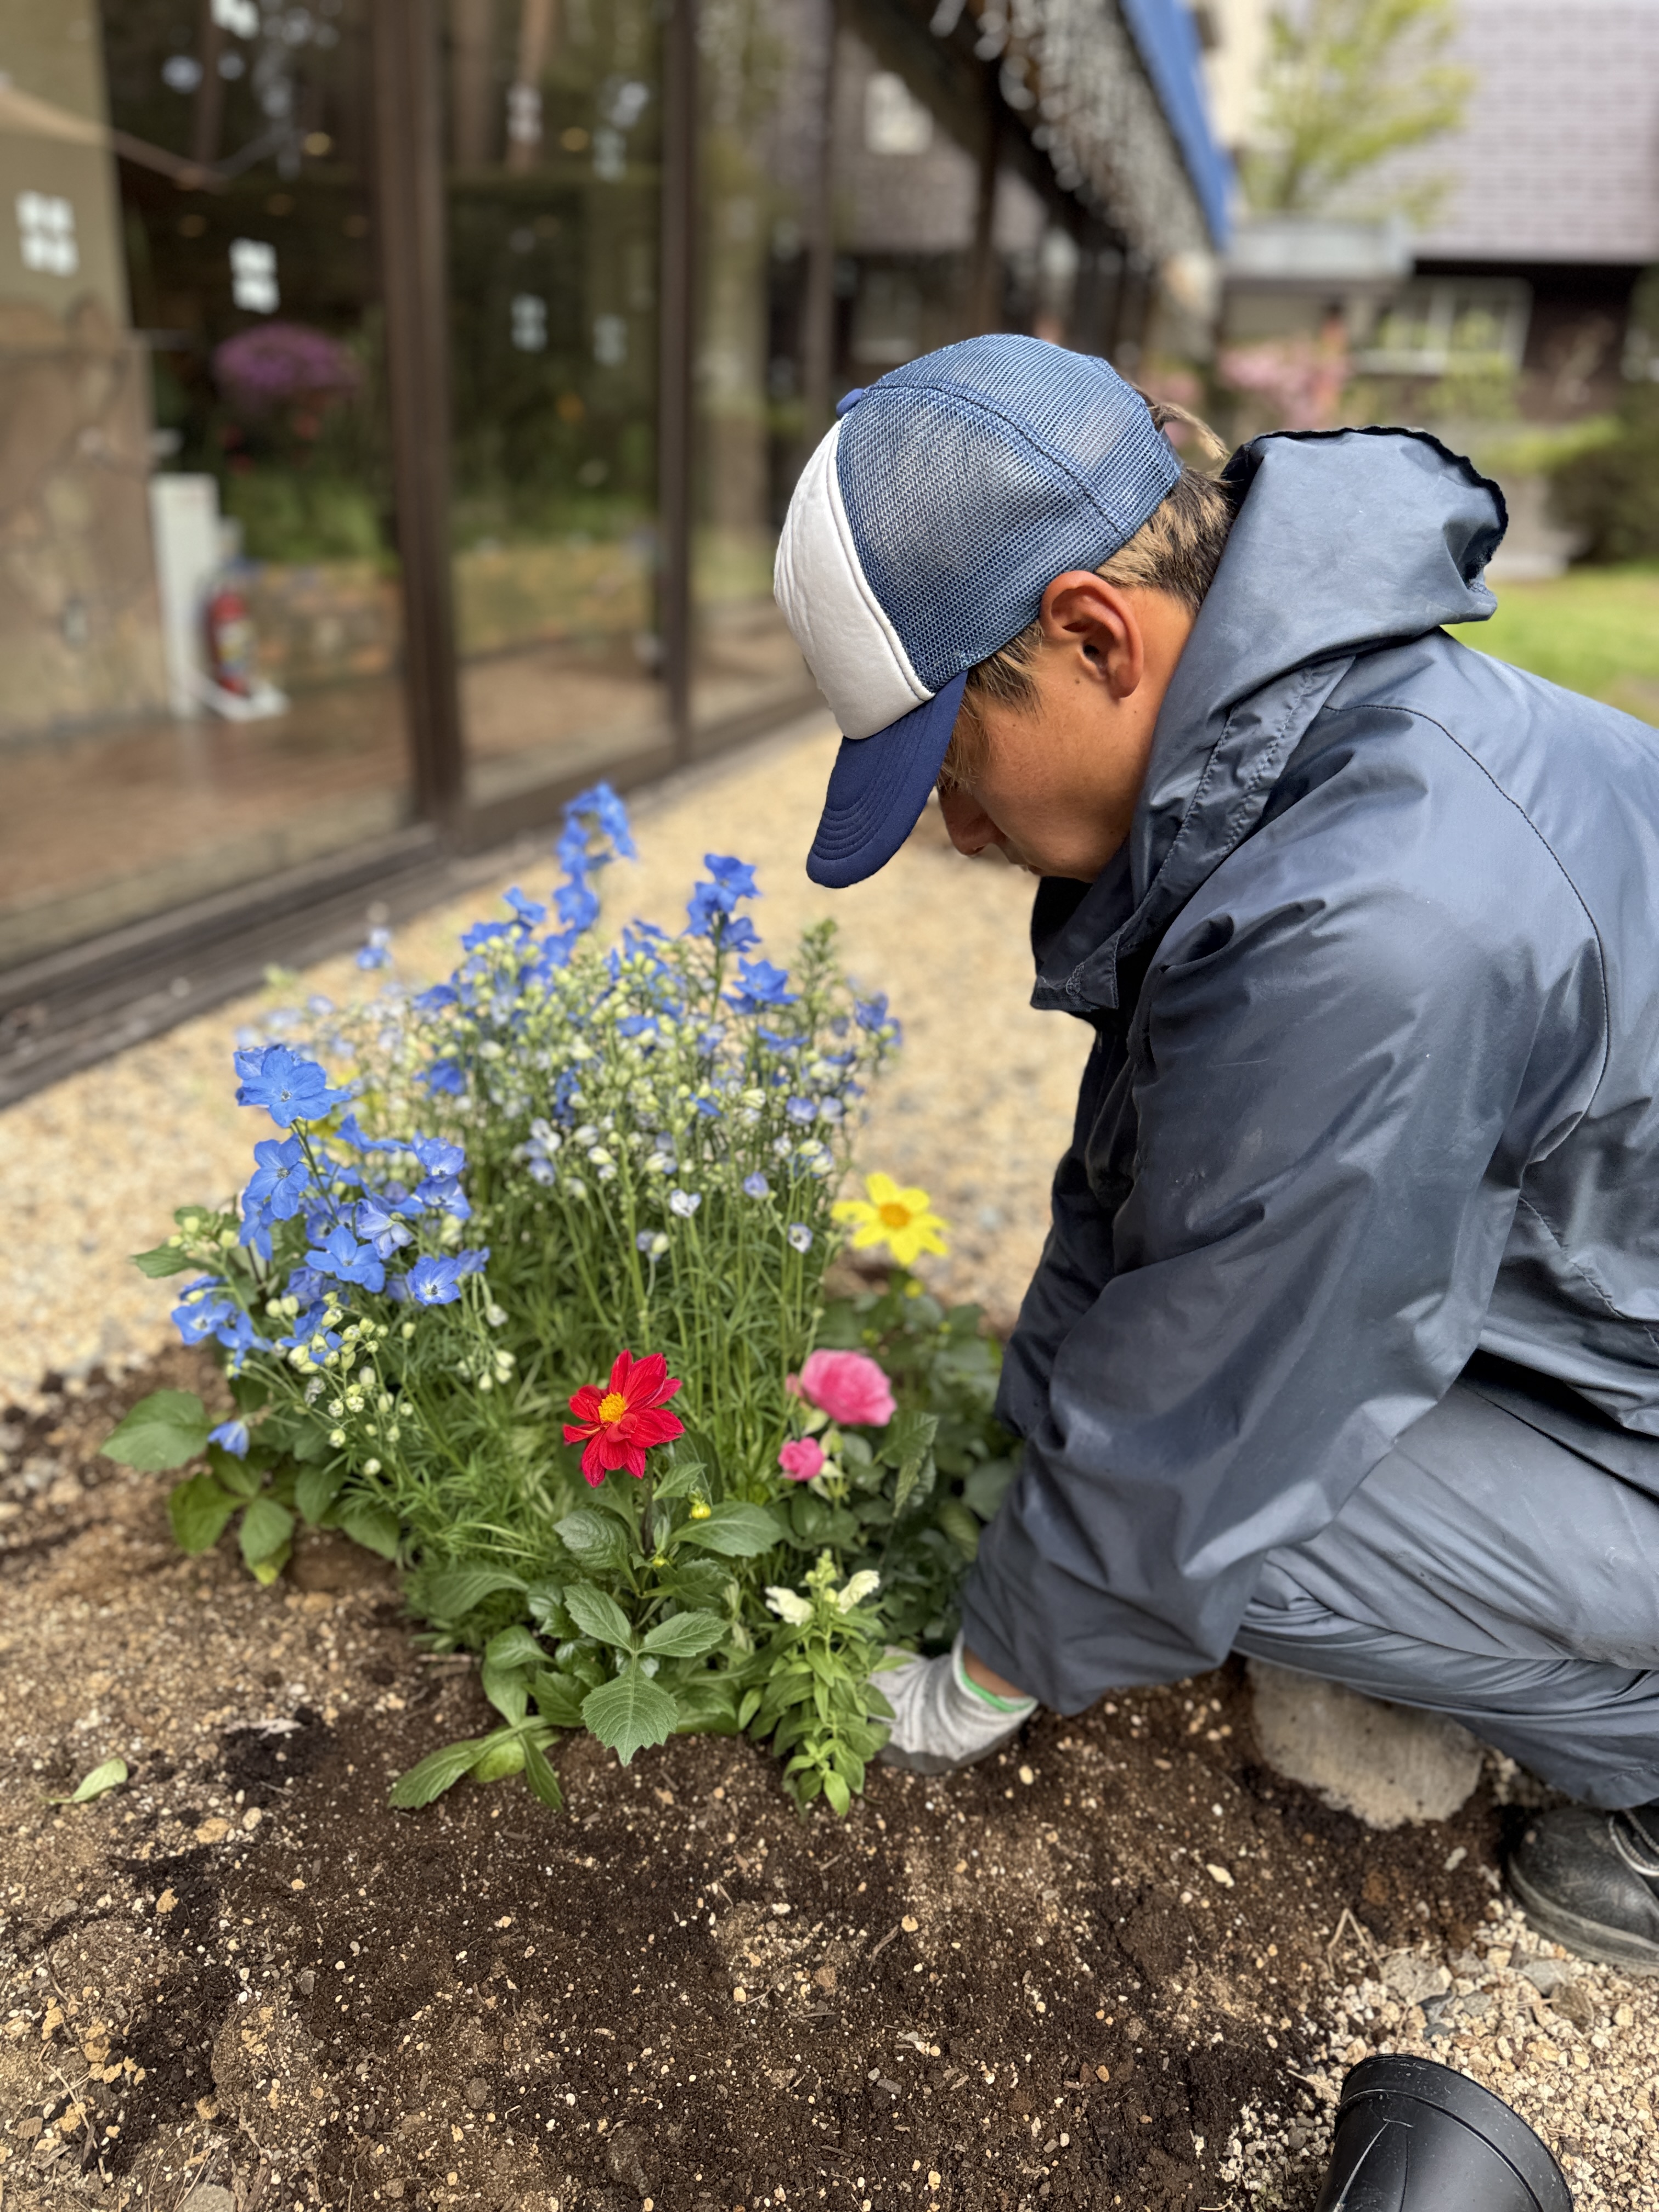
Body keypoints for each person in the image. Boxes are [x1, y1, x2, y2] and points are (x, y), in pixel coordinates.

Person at [772, 334, 1659, 1976]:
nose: (961, 831)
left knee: (1236, 1532)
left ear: (1094, 635)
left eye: (954, 765)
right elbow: (1157, 1205)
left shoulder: (1373, 922)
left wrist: (986, 1672)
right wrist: (1037, 1438)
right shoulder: (1294, 763)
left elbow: (1210, 1416)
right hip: (1617, 1334)